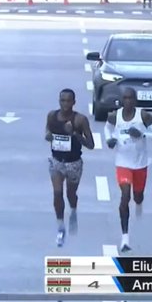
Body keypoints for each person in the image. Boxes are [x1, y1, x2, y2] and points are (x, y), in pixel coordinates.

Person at [103, 87, 152, 253]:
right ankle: (125, 238)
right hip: (122, 163)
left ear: (135, 100)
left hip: (140, 164)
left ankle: (139, 203)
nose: (128, 101)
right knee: (125, 197)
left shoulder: (143, 116)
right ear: (121, 100)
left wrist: (142, 134)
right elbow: (107, 128)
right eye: (125, 98)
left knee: (138, 196)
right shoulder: (114, 116)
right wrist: (110, 139)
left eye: (131, 98)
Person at [45, 89, 96, 247]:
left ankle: (73, 210)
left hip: (74, 163)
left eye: (68, 101)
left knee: (70, 194)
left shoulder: (80, 120)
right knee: (57, 193)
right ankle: (61, 227)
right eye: (62, 101)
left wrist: (74, 134)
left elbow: (91, 145)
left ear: (74, 102)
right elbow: (47, 132)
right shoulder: (52, 116)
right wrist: (48, 136)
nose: (65, 104)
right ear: (59, 101)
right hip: (56, 161)